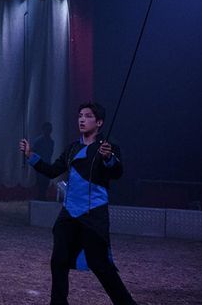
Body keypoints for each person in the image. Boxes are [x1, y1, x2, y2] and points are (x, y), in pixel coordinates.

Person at [20, 102, 137, 305]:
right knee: (58, 260)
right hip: (69, 213)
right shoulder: (72, 148)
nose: (82, 119)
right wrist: (31, 156)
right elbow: (52, 171)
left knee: (100, 265)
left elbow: (117, 172)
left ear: (99, 122)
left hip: (93, 214)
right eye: (80, 115)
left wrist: (109, 158)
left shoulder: (107, 147)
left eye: (88, 116)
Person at [32, 121, 55, 201]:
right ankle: (40, 196)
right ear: (43, 130)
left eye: (50, 130)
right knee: (40, 182)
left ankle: (43, 196)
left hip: (47, 164)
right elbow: (34, 152)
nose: (48, 131)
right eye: (47, 129)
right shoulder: (38, 141)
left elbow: (50, 153)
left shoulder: (51, 142)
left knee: (46, 182)